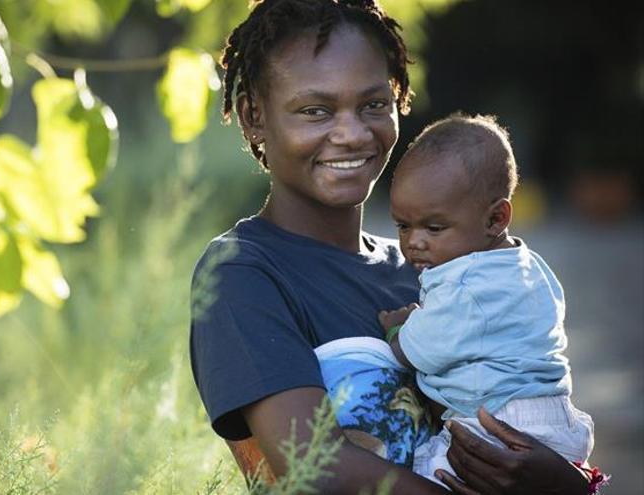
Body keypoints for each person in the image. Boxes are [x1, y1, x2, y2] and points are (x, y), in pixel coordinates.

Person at [189, 1, 596, 493]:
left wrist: (564, 482)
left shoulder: (432, 265)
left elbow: (515, 403)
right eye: (315, 110)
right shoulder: (243, 272)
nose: (352, 133)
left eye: (373, 104)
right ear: (255, 116)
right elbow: (313, 464)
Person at [318, 113, 594, 487]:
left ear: (496, 218)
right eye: (403, 225)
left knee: (430, 475)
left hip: (497, 427)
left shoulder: (463, 284)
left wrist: (400, 326)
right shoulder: (528, 265)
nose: (414, 241)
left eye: (434, 227)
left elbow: (416, 352)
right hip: (554, 418)